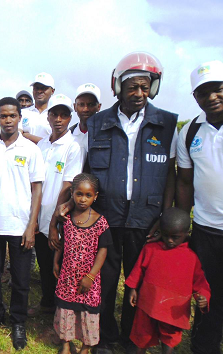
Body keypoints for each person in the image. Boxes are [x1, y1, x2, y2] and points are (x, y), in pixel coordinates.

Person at [50, 52, 178, 353]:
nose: (138, 93)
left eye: (145, 87)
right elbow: (83, 171)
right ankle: (105, 337)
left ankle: (135, 339)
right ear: (118, 85)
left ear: (153, 88)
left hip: (146, 219)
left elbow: (172, 175)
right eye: (132, 86)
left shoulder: (167, 124)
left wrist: (167, 214)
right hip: (105, 218)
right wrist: (69, 203)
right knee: (104, 282)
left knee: (140, 281)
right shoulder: (96, 124)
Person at [0, 97, 45, 350]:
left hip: (19, 227)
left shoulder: (31, 150)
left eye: (13, 115)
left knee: (21, 279)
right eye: (4, 116)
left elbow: (37, 190)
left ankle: (18, 321)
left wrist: (32, 225)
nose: (8, 120)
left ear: (19, 118)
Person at [176, 60, 223, 354]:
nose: (212, 97)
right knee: (208, 295)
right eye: (203, 93)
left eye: (217, 90)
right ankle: (205, 347)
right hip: (206, 231)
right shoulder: (191, 131)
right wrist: (183, 224)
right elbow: (183, 181)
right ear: (195, 97)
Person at [125, 208, 210, 353]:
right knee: (142, 335)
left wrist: (203, 297)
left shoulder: (191, 257)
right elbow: (138, 269)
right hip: (148, 303)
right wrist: (133, 288)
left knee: (170, 339)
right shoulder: (151, 249)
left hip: (173, 309)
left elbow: (200, 282)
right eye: (166, 235)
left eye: (175, 237)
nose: (170, 240)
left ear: (186, 234)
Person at [31, 94, 84, 316]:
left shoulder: (73, 147)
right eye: (55, 114)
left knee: (60, 266)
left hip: (58, 218)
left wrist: (54, 223)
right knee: (44, 262)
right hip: (38, 215)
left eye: (64, 115)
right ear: (48, 117)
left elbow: (67, 186)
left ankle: (64, 312)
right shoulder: (41, 145)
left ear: (70, 117)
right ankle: (47, 304)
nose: (59, 119)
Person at [53, 173, 111, 354]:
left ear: (95, 196)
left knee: (89, 312)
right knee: (66, 308)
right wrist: (56, 261)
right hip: (68, 275)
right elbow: (62, 242)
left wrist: (91, 276)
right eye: (79, 194)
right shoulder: (67, 218)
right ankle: (65, 344)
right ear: (72, 193)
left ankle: (86, 347)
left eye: (88, 195)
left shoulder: (100, 222)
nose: (83, 199)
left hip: (88, 278)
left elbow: (103, 250)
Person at [20, 72, 55, 144]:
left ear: (52, 91)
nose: (39, 91)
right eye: (36, 88)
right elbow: (17, 136)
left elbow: (54, 142)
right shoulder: (23, 113)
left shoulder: (56, 115)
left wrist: (26, 135)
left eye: (44, 88)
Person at [71, 83, 102, 150]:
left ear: (99, 107)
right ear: (75, 107)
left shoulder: (106, 135)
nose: (86, 109)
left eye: (91, 105)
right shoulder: (68, 135)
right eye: (81, 104)